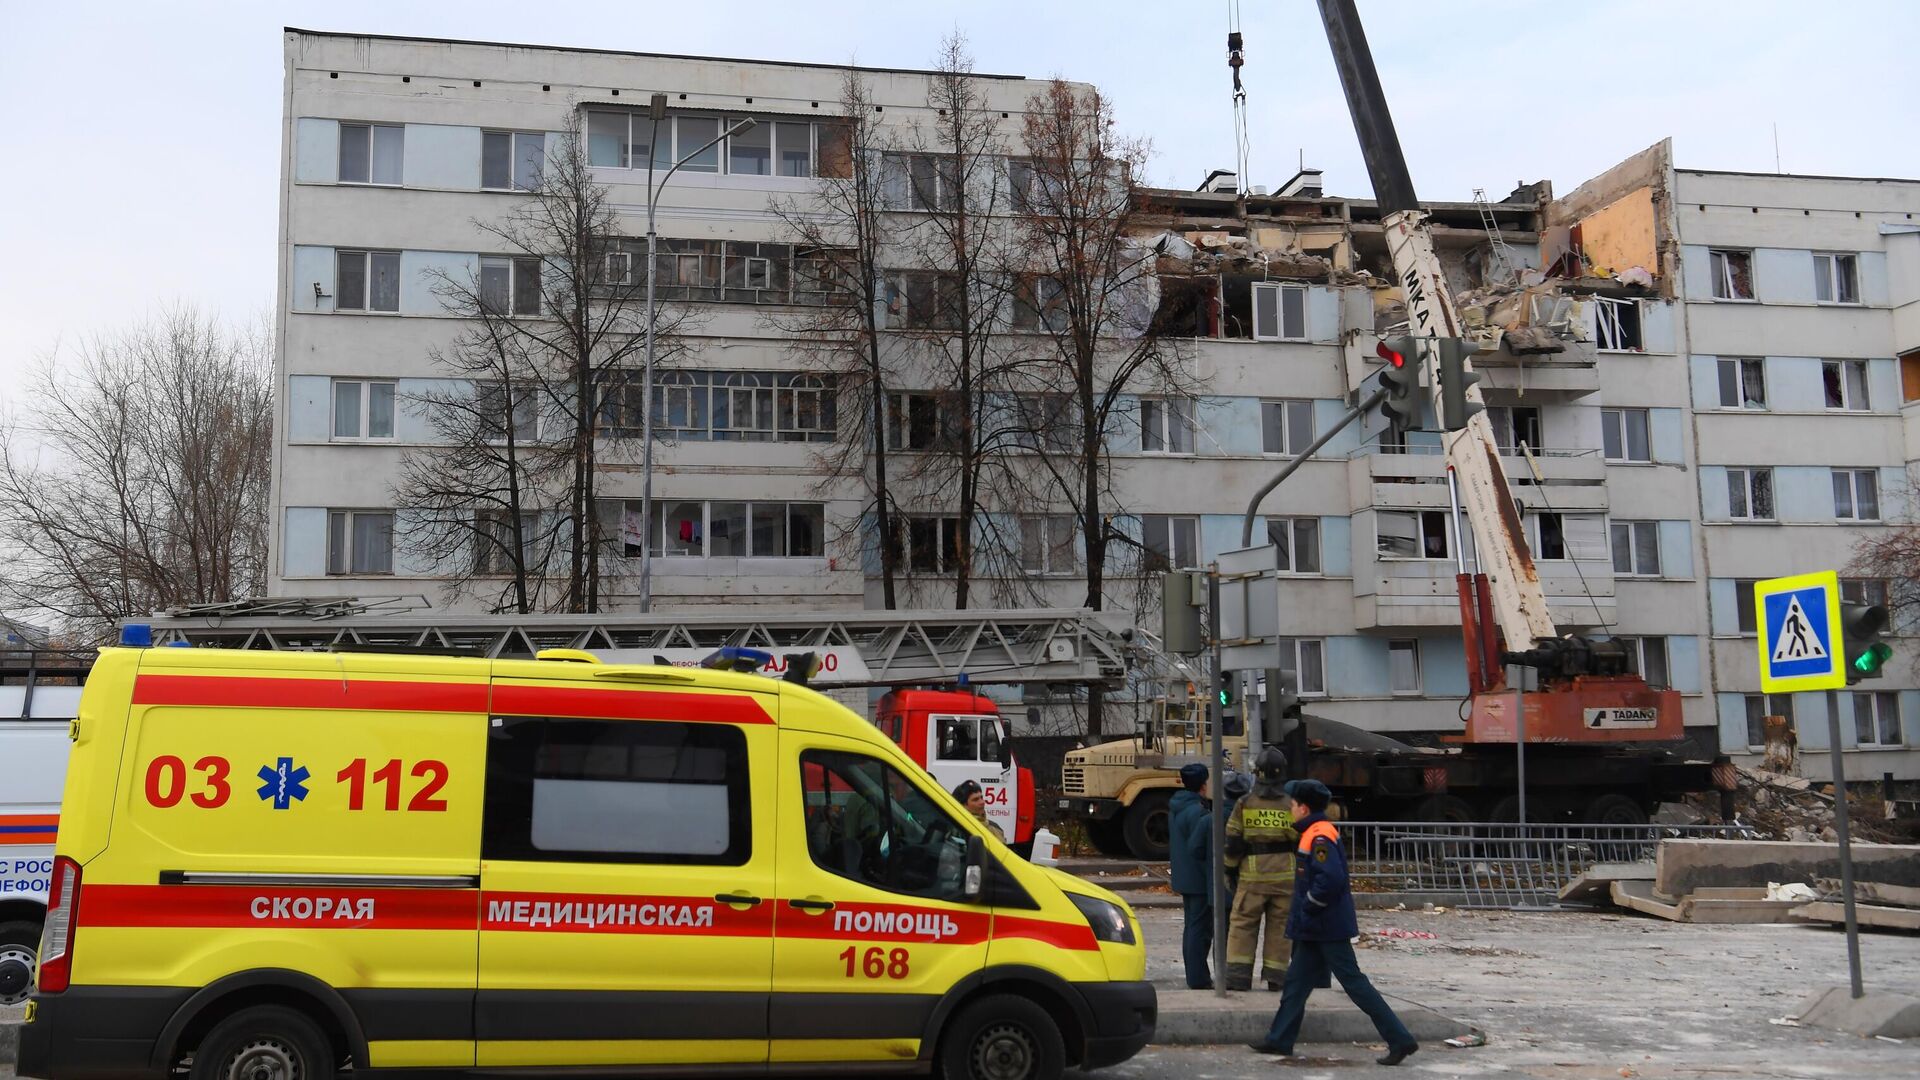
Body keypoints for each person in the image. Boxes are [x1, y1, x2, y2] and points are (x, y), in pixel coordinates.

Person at [1249, 779, 1418, 1067]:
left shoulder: (1319, 836)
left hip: (1326, 926)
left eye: (1291, 805)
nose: (1289, 809)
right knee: (1295, 985)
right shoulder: (1314, 832)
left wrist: (1310, 907)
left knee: (1354, 984)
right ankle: (1279, 1039)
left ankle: (1400, 1039)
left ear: (1303, 807)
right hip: (1316, 927)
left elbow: (1331, 880)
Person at [1222, 746, 1296, 991]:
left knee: (1243, 925)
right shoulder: (1291, 805)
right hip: (1285, 876)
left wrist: (1230, 870)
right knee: (1280, 928)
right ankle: (1276, 978)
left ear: (1257, 773)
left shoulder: (1244, 803)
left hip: (1252, 877)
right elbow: (1299, 840)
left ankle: (1238, 978)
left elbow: (1233, 842)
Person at [1167, 763, 1215, 990]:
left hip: (1185, 876)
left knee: (1192, 927)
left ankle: (1195, 975)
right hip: (1198, 878)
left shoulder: (1177, 806)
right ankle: (1198, 978)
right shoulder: (1197, 812)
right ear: (1203, 785)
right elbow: (1201, 846)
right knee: (1199, 929)